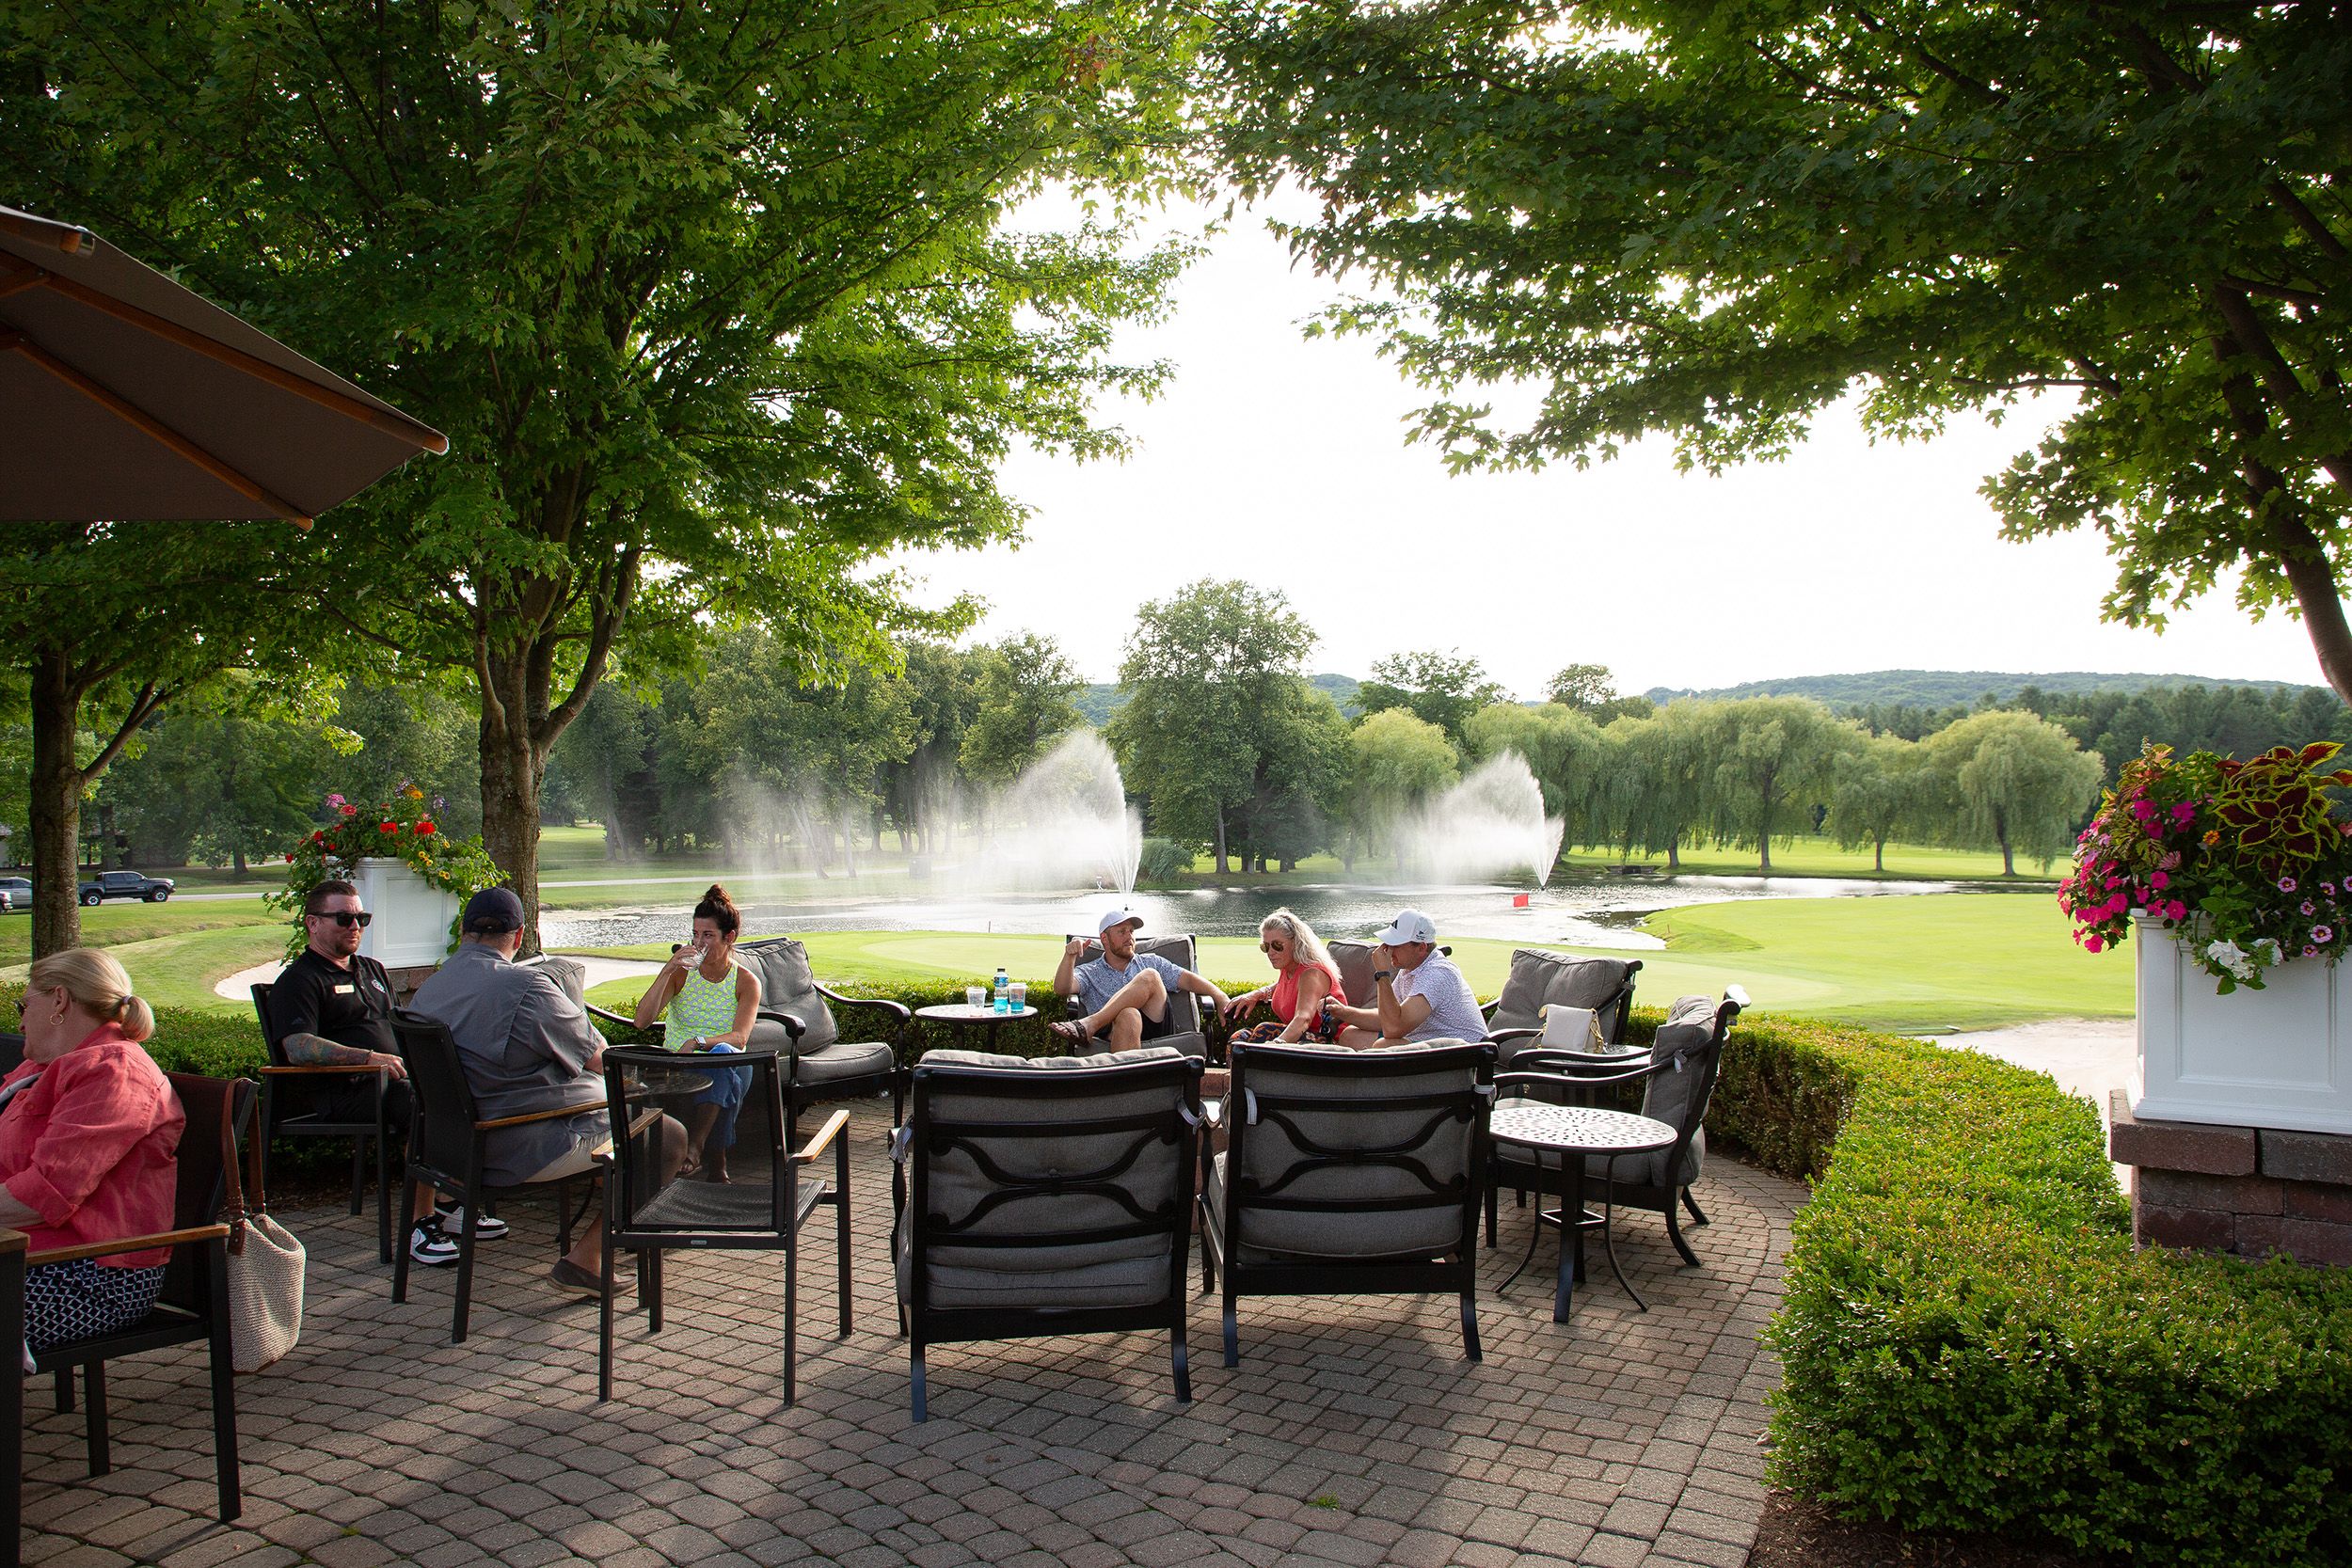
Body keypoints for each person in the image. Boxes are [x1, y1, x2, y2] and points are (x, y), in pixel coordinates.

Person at [410, 887, 687, 1296]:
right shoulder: (526, 987)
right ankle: (586, 1260)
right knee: (668, 1136)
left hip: (447, 1150)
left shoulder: (428, 990)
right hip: (515, 1148)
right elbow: (599, 1057)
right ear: (520, 936)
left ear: (465, 931)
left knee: (629, 1126)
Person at [267, 879, 501, 1267]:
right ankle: (418, 1225)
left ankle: (448, 1202)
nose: (355, 926)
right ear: (312, 923)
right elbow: (296, 1046)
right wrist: (367, 1058)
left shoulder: (372, 969)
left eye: (362, 918)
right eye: (344, 918)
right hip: (344, 1091)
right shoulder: (300, 980)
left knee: (462, 1087)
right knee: (426, 1103)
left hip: (391, 1082)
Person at [1, 950, 183, 1367]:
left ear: (59, 1000)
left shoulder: (115, 1072)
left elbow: (42, 1194)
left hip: (91, 1278)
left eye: (24, 1006)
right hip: (30, 1255)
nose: (21, 1022)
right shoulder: (43, 1065)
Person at [629, 884, 760, 1181]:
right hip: (681, 1061)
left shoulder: (746, 981)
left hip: (724, 1057)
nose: (699, 943)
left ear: (729, 937)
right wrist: (667, 969)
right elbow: (641, 1021)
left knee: (725, 1057)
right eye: (695, 934)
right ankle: (717, 1161)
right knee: (729, 1077)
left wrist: (700, 1042)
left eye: (708, 935)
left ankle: (695, 1146)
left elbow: (740, 1038)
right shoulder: (681, 973)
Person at [1049, 906, 1230, 1053]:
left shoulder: (1151, 961)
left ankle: (1090, 1025)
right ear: (1104, 938)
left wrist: (1219, 996)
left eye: (1131, 931)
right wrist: (1069, 957)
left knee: (1150, 975)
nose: (1129, 937)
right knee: (1129, 1014)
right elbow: (1062, 988)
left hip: (1155, 1027)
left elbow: (1189, 980)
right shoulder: (1090, 971)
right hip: (1115, 1032)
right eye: (1122, 932)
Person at [1327, 909, 1489, 1048]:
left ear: (1421, 948)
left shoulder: (1438, 973)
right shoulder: (1409, 970)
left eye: (1396, 945)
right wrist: (1343, 1012)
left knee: (1383, 1046)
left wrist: (1382, 974)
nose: (1388, 950)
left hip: (1463, 1054)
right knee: (1350, 1036)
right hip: (1432, 1043)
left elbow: (1393, 1029)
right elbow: (1387, 1018)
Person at [1222, 908, 1344, 1045]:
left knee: (1264, 1030)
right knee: (1239, 1038)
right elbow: (1287, 986)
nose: (1270, 952)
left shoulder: (1312, 973)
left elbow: (1304, 1019)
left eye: (1277, 945)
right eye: (1266, 946)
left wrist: (1275, 1045)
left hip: (1331, 1043)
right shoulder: (1289, 969)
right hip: (1303, 1039)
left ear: (1296, 943)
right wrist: (1258, 993)